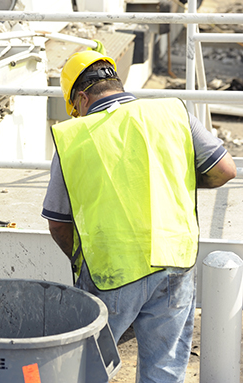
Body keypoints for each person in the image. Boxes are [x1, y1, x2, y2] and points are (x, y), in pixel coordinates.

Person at [41, 50, 237, 383]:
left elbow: (58, 222)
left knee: (86, 370)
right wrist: (177, 178)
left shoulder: (74, 138)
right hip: (175, 259)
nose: (78, 117)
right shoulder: (172, 112)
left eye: (77, 110)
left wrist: (83, 259)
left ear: (83, 97)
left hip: (110, 271)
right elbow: (224, 169)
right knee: (163, 371)